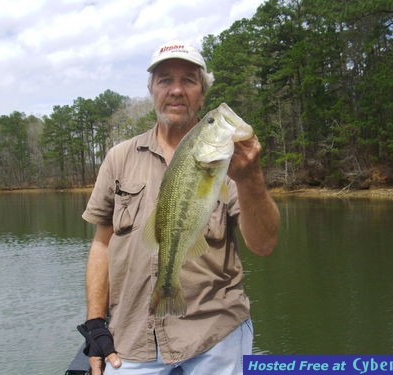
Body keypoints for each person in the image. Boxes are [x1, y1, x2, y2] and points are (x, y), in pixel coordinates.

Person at [79, 40, 280, 375]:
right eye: (164, 80)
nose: (176, 90)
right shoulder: (119, 158)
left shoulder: (233, 162)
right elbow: (102, 244)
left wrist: (251, 178)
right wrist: (96, 323)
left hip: (217, 337)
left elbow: (264, 245)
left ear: (202, 92)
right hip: (131, 342)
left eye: (188, 80)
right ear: (151, 90)